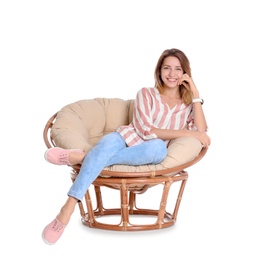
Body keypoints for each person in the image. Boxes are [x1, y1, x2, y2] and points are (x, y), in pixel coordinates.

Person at [42, 48, 211, 245]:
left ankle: (80, 157)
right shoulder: (146, 94)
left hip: (148, 151)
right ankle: (66, 210)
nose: (172, 74)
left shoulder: (188, 104)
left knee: (158, 148)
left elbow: (201, 131)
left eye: (177, 69)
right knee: (111, 145)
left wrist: (196, 93)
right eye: (167, 68)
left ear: (185, 73)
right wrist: (189, 133)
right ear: (159, 71)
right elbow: (145, 130)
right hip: (122, 138)